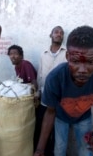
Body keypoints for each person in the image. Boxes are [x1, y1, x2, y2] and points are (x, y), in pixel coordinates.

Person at [34, 25, 93, 156]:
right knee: (59, 150)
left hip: (84, 118)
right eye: (76, 61)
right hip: (60, 118)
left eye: (90, 62)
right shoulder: (55, 78)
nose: (83, 70)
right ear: (67, 56)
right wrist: (39, 150)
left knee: (86, 152)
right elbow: (50, 112)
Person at [34, 26, 66, 156]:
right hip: (45, 97)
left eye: (61, 33)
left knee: (56, 130)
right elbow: (40, 74)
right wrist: (38, 93)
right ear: (51, 35)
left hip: (60, 98)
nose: (59, 34)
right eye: (56, 32)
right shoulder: (44, 54)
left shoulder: (67, 53)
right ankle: (42, 151)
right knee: (42, 126)